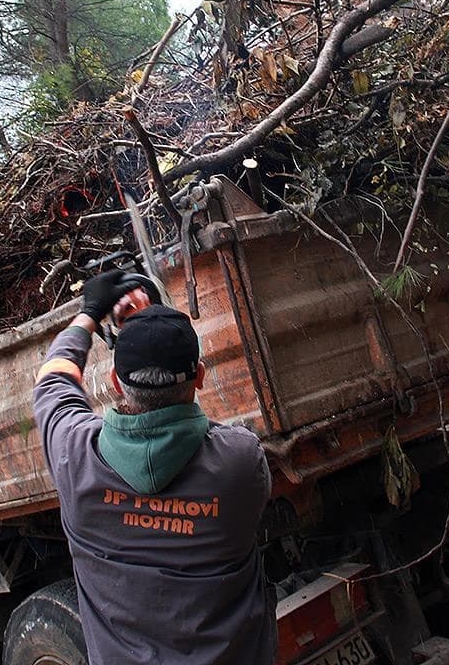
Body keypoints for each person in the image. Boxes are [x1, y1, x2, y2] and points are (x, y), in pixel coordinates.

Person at [32, 270, 276, 664]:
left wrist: (89, 313)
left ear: (114, 381)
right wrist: (162, 328)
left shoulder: (73, 454)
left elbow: (51, 381)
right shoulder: (240, 460)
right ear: (199, 377)